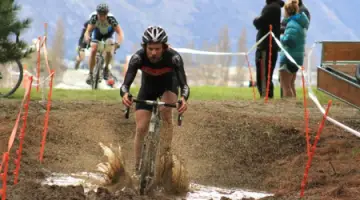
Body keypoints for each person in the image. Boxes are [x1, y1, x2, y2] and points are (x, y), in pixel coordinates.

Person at [120, 26, 190, 174]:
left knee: (166, 113)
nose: (153, 52)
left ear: (164, 47)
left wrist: (183, 99)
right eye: (150, 48)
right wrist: (125, 95)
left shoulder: (174, 58)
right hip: (148, 88)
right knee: (141, 128)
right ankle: (137, 167)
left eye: (157, 49)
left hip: (169, 87)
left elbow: (184, 85)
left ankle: (165, 155)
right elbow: (125, 85)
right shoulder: (138, 58)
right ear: (145, 47)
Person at [83, 3, 124, 85]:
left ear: (107, 14)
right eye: (100, 15)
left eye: (104, 15)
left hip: (109, 34)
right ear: (97, 13)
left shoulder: (111, 19)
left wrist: (118, 43)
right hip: (97, 33)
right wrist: (87, 38)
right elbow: (87, 31)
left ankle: (106, 69)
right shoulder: (94, 18)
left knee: (109, 47)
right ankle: (90, 73)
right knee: (93, 49)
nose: (102, 17)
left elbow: (120, 33)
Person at [253, 0, 285, 99]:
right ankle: (267, 95)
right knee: (266, 74)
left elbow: (259, 23)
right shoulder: (276, 8)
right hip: (270, 46)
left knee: (263, 74)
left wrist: (255, 19)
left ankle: (265, 96)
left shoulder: (272, 8)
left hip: (266, 47)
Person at [279, 0, 309, 97]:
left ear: (287, 11)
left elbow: (290, 40)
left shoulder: (292, 24)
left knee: (286, 86)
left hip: (289, 58)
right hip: (296, 57)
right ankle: (293, 107)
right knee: (291, 85)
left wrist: (280, 38)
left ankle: (288, 107)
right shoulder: (300, 23)